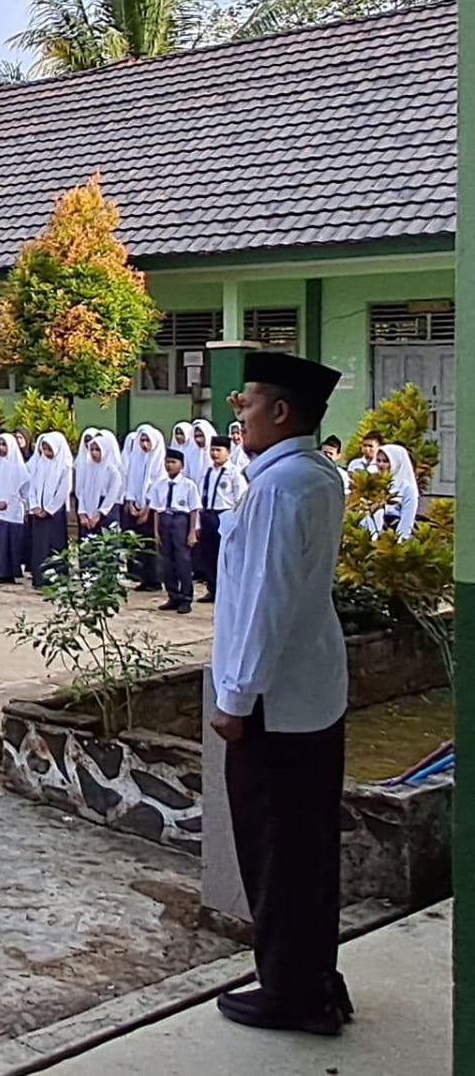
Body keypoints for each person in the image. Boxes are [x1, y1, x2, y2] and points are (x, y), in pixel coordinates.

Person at [211, 350, 351, 1036]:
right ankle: (315, 976)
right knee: (307, 847)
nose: (238, 411)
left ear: (282, 412)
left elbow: (262, 602)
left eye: (249, 400)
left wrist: (235, 700)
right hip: (310, 694)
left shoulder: (279, 487)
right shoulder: (314, 474)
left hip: (275, 705)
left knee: (276, 850)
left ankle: (293, 993)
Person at [147, 447, 201, 613]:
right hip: (164, 520)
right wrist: (156, 532)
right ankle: (173, 595)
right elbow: (156, 510)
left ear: (181, 465)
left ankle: (186, 598)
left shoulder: (188, 485)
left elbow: (194, 510)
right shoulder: (159, 485)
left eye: (173, 462)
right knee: (166, 562)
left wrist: (192, 531)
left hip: (180, 521)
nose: (169, 466)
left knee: (182, 561)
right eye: (167, 462)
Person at [197, 435, 247, 604]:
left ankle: (227, 592)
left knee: (224, 555)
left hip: (224, 515)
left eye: (219, 450)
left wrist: (234, 522)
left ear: (228, 452)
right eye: (212, 450)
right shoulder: (208, 471)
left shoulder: (234, 473)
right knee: (208, 555)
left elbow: (240, 499)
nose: (215, 454)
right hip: (208, 514)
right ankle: (212, 589)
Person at [24, 432, 72, 588]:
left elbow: (64, 490)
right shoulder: (39, 464)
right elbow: (32, 486)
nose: (46, 453)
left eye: (49, 449)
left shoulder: (64, 466)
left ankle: (56, 578)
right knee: (39, 546)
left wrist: (49, 509)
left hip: (54, 514)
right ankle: (40, 578)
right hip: (39, 513)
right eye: (43, 449)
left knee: (55, 544)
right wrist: (35, 506)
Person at [122, 425, 165, 592]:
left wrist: (147, 509)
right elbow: (131, 481)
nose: (145, 444)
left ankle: (155, 579)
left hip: (152, 510)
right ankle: (143, 578)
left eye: (148, 440)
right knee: (138, 545)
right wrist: (131, 503)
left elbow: (157, 486)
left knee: (151, 545)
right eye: (142, 440)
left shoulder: (159, 461)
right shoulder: (136, 458)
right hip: (137, 507)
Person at [0, 433, 29, 584]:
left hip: (13, 509)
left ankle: (10, 573)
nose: (0, 448)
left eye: (4, 445)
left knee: (11, 540)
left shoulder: (18, 466)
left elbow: (24, 489)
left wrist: (12, 501)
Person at [74, 431, 124, 539]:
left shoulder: (113, 472)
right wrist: (82, 513)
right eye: (92, 449)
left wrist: (99, 514)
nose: (94, 453)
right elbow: (82, 491)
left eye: (97, 450)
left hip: (106, 511)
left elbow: (112, 495)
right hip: (88, 510)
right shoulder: (88, 469)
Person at [369, 443, 420, 539]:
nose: (381, 465)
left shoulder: (407, 488)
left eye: (385, 461)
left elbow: (407, 519)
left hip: (391, 536)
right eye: (378, 461)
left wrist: (399, 543)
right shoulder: (373, 483)